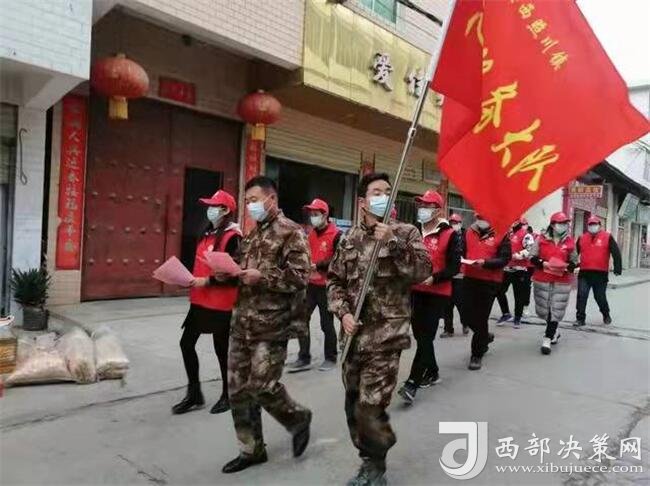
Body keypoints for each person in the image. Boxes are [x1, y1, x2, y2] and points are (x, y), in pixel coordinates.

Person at [327, 173, 430, 485]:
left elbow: (422, 271)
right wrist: (343, 312)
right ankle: (370, 454)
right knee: (353, 406)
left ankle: (375, 467)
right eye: (376, 192)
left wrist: (393, 243)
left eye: (387, 191)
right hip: (353, 338)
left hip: (386, 337)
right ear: (362, 201)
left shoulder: (406, 232)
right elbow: (334, 281)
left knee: (370, 407)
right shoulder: (348, 239)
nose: (384, 196)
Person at [222, 176, 312, 474]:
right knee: (237, 389)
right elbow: (242, 267)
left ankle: (297, 418)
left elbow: (301, 277)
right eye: (247, 201)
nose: (250, 206)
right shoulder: (251, 234)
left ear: (271, 199)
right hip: (242, 323)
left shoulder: (291, 232)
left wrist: (263, 277)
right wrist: (227, 272)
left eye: (254, 200)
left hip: (271, 326)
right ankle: (251, 449)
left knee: (262, 386)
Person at [172, 190, 241, 416]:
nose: (210, 210)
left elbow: (235, 276)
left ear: (225, 210)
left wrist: (207, 281)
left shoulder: (233, 237)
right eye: (209, 206)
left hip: (221, 304)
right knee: (186, 343)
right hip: (199, 300)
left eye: (214, 206)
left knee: (222, 350)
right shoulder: (206, 233)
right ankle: (194, 393)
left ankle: (228, 395)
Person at [397, 190, 461, 404]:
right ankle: (432, 371)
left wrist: (435, 278)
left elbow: (454, 266)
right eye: (421, 205)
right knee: (420, 335)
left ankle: (412, 383)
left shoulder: (450, 234)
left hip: (437, 292)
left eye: (427, 206)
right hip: (415, 290)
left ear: (438, 210)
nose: (422, 209)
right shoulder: (414, 231)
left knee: (426, 336)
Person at [288, 198, 342, 372]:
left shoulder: (336, 234)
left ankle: (330, 357)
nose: (313, 217)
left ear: (325, 215)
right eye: (311, 214)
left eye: (316, 214)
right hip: (310, 285)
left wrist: (318, 266)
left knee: (327, 324)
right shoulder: (310, 234)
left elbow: (338, 261)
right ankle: (304, 357)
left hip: (326, 286)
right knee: (302, 320)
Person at [462, 214, 511, 371]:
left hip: (490, 281)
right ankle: (484, 336)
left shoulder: (502, 234)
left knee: (481, 317)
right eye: (478, 216)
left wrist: (486, 263)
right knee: (465, 315)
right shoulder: (469, 231)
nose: (480, 218)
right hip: (469, 277)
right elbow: (461, 250)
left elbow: (504, 259)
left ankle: (477, 354)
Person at [529, 212, 578, 355]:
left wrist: (569, 266)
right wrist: (542, 263)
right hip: (542, 279)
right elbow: (532, 257)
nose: (563, 226)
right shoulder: (541, 239)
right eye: (560, 223)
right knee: (545, 310)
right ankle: (554, 331)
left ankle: (547, 338)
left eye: (565, 223)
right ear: (552, 224)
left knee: (556, 309)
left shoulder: (570, 242)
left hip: (561, 281)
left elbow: (574, 261)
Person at [575, 215, 622, 326]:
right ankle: (580, 318)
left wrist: (617, 268)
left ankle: (606, 314)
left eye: (595, 224)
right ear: (587, 226)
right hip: (585, 272)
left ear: (600, 225)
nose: (592, 226)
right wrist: (573, 265)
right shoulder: (581, 238)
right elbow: (575, 253)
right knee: (582, 295)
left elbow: (616, 252)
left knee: (600, 297)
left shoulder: (607, 237)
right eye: (590, 224)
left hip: (600, 273)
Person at [495, 217, 534, 328]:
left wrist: (519, 255)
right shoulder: (508, 234)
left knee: (519, 295)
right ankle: (506, 313)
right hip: (507, 268)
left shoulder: (526, 235)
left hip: (519, 269)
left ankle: (518, 317)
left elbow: (531, 249)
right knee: (499, 291)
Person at [441, 213, 468, 337]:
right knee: (447, 303)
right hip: (447, 274)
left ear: (460, 224)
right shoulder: (446, 235)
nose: (453, 225)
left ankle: (465, 323)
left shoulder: (466, 236)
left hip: (460, 274)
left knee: (461, 302)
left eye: (456, 223)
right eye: (451, 223)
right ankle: (448, 329)